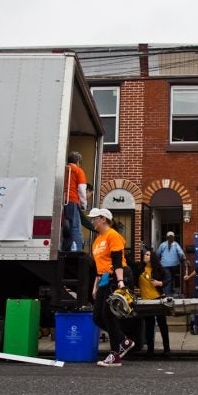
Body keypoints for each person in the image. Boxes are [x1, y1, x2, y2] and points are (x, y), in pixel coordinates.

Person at [89, 207, 135, 367]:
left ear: (103, 219)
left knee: (108, 315)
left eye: (95, 218)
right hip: (104, 278)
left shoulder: (113, 236)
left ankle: (115, 355)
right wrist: (95, 287)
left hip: (117, 276)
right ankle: (124, 341)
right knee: (97, 317)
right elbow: (98, 267)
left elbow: (117, 261)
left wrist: (121, 282)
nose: (92, 221)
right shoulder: (96, 240)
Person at [138, 249, 170, 357]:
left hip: (158, 299)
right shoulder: (140, 268)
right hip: (146, 301)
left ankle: (167, 349)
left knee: (162, 325)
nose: (145, 256)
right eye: (145, 254)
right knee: (149, 326)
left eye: (147, 254)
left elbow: (168, 278)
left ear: (152, 257)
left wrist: (160, 283)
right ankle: (150, 351)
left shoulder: (158, 269)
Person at [62, 151, 86, 252]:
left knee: (65, 227)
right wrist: (83, 204)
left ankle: (65, 248)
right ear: (77, 161)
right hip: (72, 200)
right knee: (75, 227)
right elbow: (81, 189)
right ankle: (76, 250)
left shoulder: (63, 170)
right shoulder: (78, 171)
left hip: (62, 201)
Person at [157, 231, 186, 296]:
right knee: (170, 278)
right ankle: (168, 294)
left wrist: (158, 262)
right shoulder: (176, 244)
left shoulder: (163, 244)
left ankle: (168, 293)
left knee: (168, 278)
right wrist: (184, 259)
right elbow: (181, 253)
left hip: (165, 265)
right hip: (174, 265)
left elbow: (157, 254)